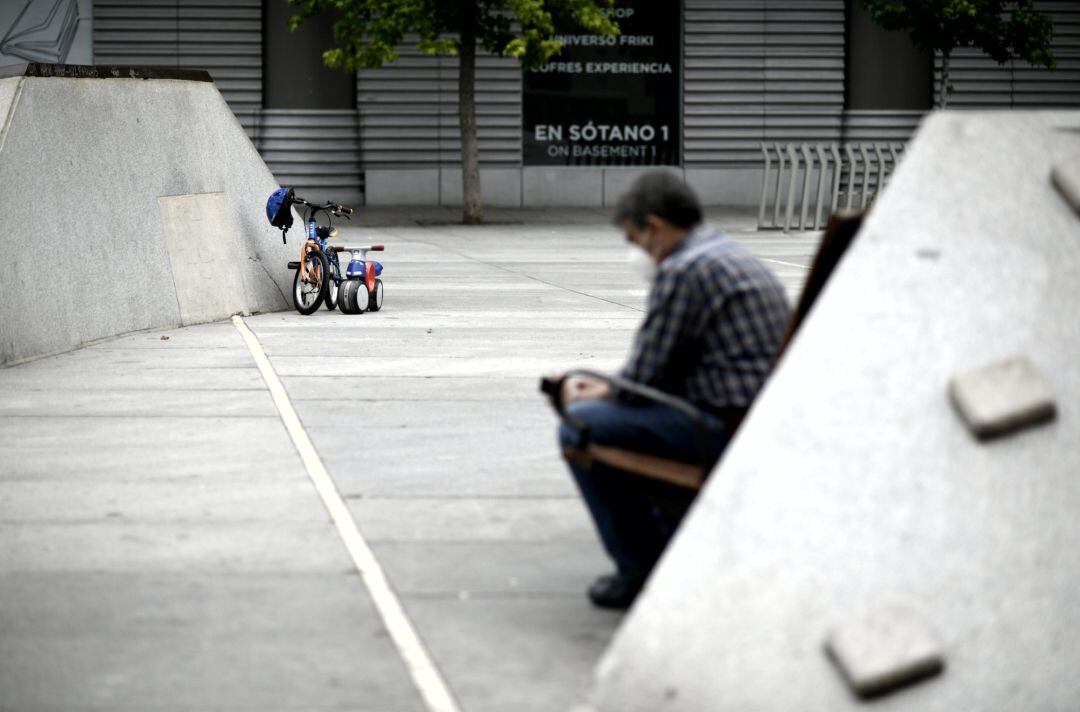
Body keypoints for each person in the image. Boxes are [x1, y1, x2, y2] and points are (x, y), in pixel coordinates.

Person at [552, 171, 791, 609]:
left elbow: (643, 378)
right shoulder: (724, 254)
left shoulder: (684, 269)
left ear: (655, 227)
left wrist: (587, 392)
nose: (637, 253)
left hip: (723, 427)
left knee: (579, 424)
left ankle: (640, 568)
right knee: (601, 410)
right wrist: (609, 388)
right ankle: (665, 544)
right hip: (759, 417)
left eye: (634, 240)